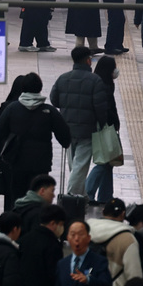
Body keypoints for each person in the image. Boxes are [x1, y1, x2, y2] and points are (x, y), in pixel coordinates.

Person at [0, 73, 71, 210]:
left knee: (17, 195)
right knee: (39, 196)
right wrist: (65, 142)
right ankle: (34, 220)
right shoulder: (48, 111)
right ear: (40, 88)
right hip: (41, 163)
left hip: (17, 161)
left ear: (23, 88)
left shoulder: (12, 108)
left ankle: (17, 223)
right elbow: (64, 134)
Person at [51, 45, 115, 196]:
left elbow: (55, 100)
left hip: (67, 128)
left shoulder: (63, 78)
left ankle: (82, 196)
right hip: (87, 130)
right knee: (80, 166)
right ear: (88, 61)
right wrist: (102, 124)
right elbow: (100, 107)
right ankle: (72, 196)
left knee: (74, 165)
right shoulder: (95, 80)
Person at [85, 56, 121, 205]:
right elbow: (105, 109)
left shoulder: (100, 81)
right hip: (104, 127)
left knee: (109, 162)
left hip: (103, 126)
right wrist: (112, 123)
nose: (116, 71)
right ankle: (88, 192)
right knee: (104, 162)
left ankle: (106, 196)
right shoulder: (104, 85)